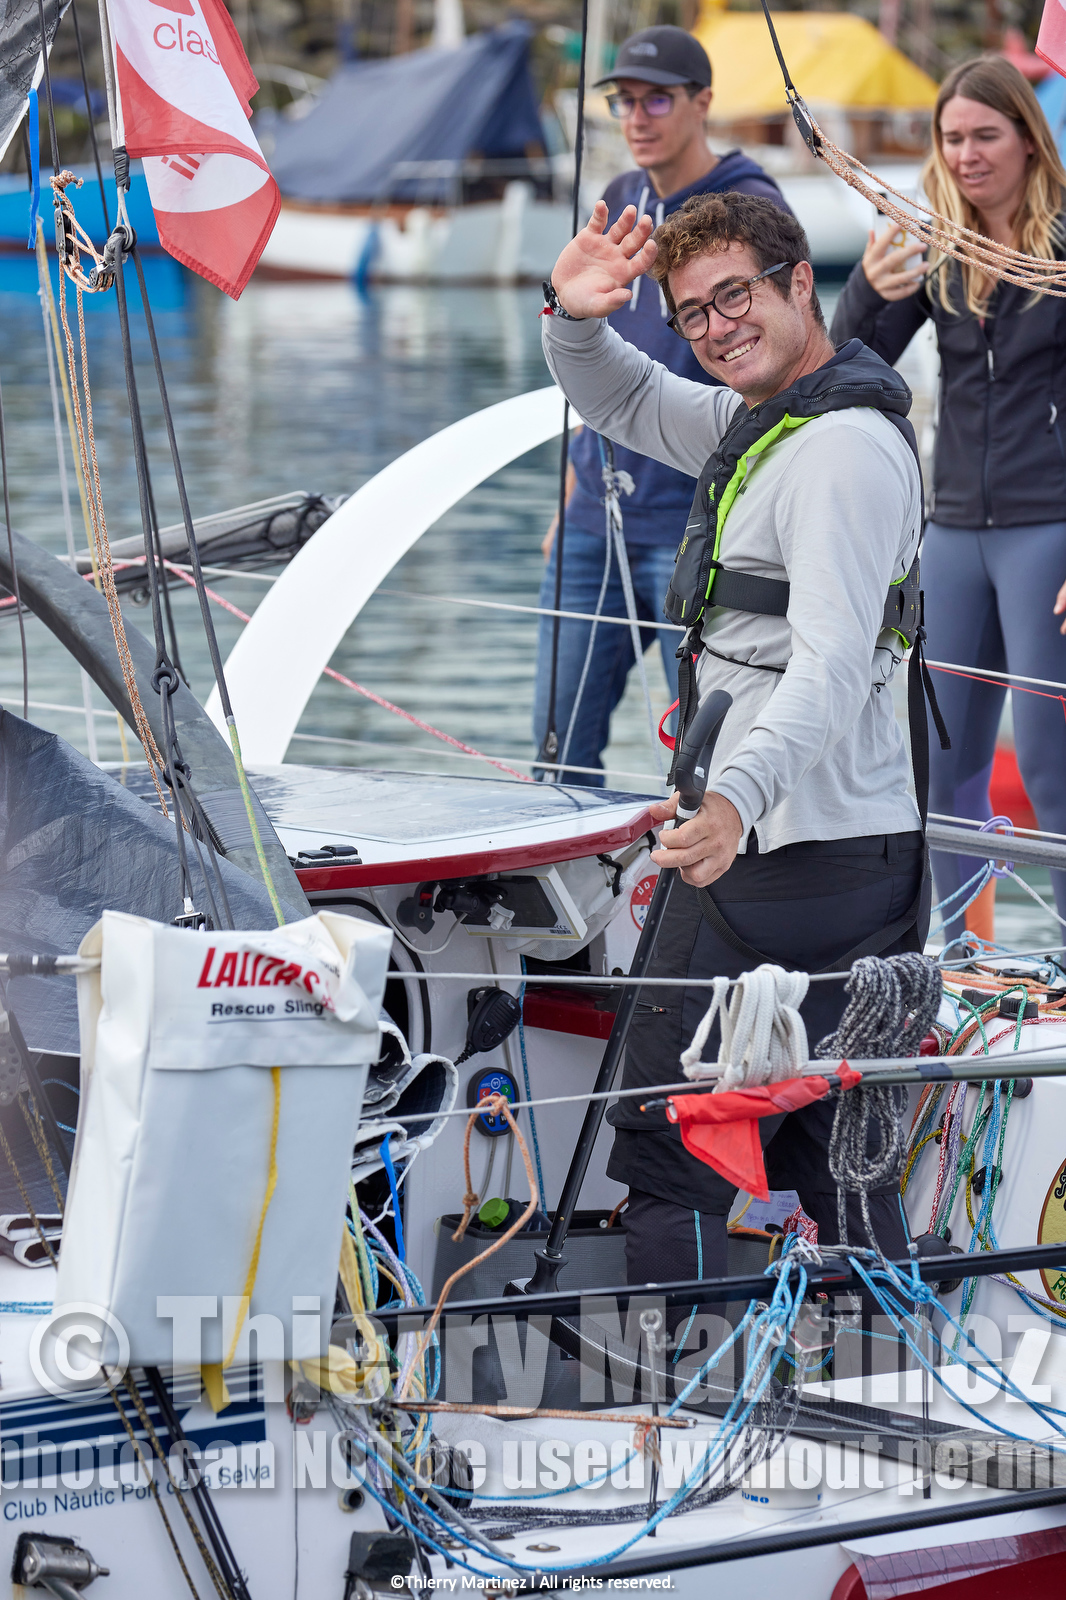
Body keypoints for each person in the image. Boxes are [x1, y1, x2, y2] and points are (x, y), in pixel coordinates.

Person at [541, 191, 929, 1308]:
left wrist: (734, 804)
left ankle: (694, 1416)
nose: (715, 327)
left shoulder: (839, 455)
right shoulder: (760, 424)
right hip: (838, 851)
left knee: (672, 1142)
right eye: (693, 310)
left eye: (736, 297)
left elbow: (830, 666)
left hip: (780, 851)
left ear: (799, 284)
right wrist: (571, 317)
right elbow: (625, 396)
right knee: (821, 1144)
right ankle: (888, 1381)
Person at [830, 55, 1066, 942]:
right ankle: (961, 955)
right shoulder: (938, 252)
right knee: (941, 764)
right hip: (955, 532)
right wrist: (863, 286)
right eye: (951, 137)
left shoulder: (1063, 253)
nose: (966, 155)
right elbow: (845, 369)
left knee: (1052, 766)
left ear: (1028, 142)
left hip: (1051, 534)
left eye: (985, 135)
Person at [532, 24, 787, 785]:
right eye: (623, 101)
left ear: (702, 102)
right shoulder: (621, 198)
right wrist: (575, 476)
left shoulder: (749, 203)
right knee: (555, 747)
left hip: (695, 515)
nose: (637, 116)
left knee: (714, 753)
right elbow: (600, 353)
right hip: (595, 513)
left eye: (656, 99)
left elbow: (771, 365)